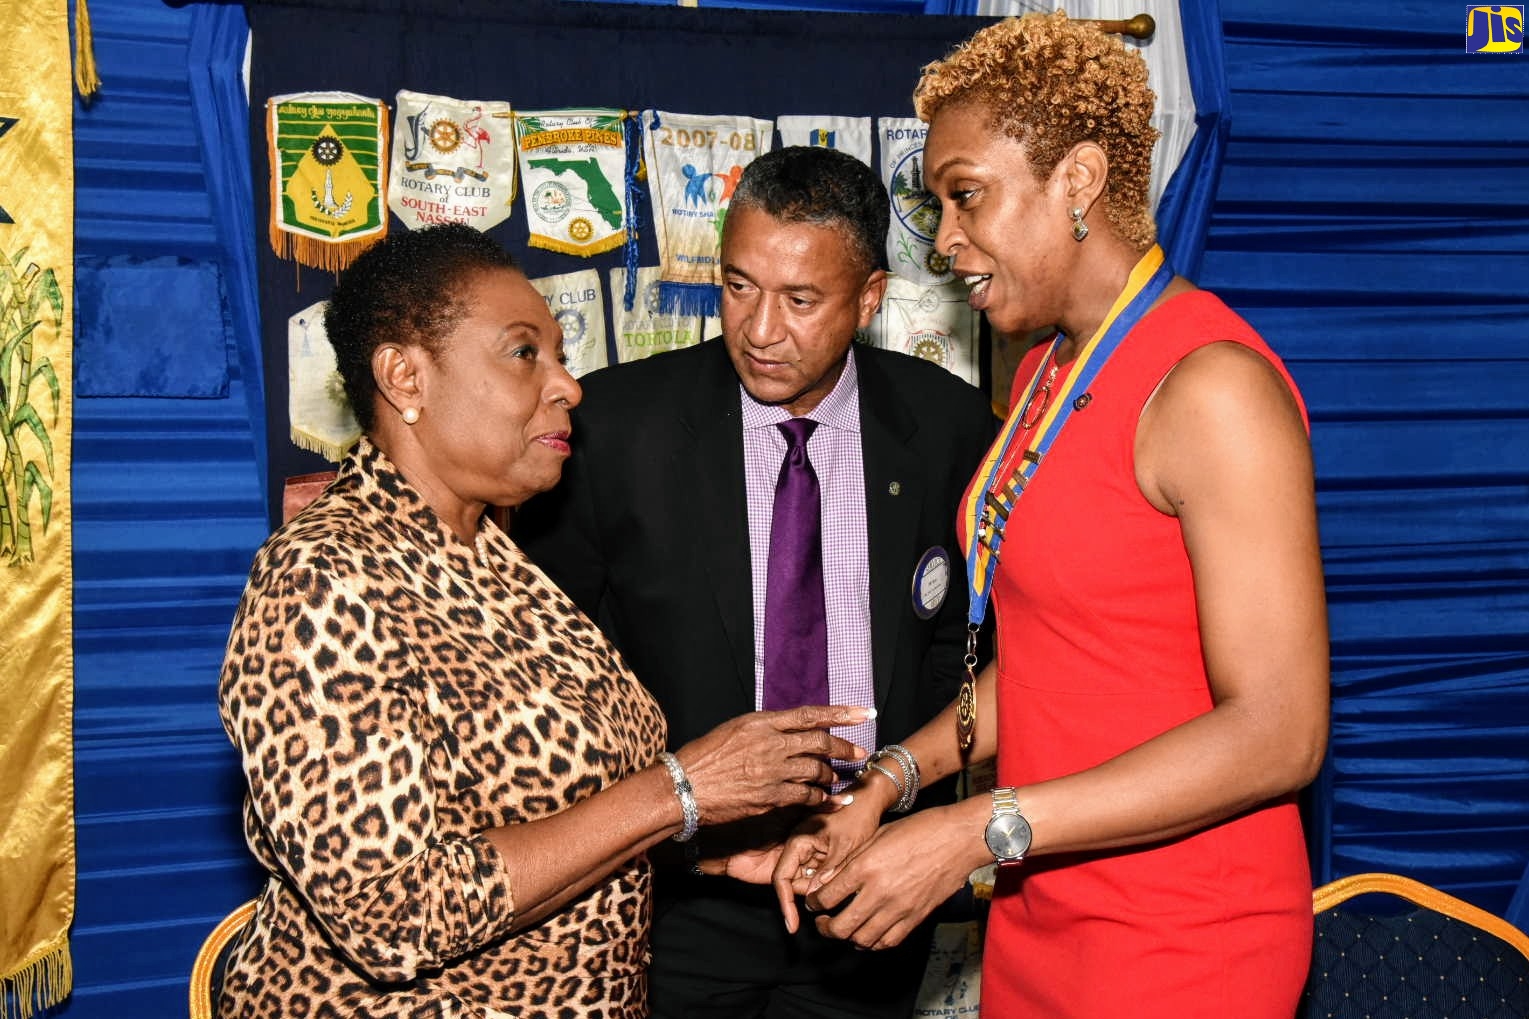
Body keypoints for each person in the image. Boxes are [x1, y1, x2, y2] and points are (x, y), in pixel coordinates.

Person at [769, 14, 1330, 1019]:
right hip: (1041, 913)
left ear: (1074, 180)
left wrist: (974, 827)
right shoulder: (1043, 371)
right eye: (938, 204)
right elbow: (1061, 657)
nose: (943, 242)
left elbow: (1278, 732)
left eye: (965, 196)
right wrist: (896, 778)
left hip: (1182, 938)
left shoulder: (1210, 387)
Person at [216, 223, 868, 1019]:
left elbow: (550, 810)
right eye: (524, 353)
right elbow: (393, 914)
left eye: (558, 353)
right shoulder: (321, 577)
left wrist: (709, 846)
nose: (568, 384)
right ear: (404, 377)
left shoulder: (499, 555)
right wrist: (680, 791)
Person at [512, 146, 997, 1019]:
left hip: (865, 896)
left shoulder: (949, 426)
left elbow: (966, 663)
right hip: (675, 901)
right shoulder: (614, 429)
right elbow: (550, 687)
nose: (761, 329)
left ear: (871, 299)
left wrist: (898, 799)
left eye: (801, 299)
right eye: (739, 286)